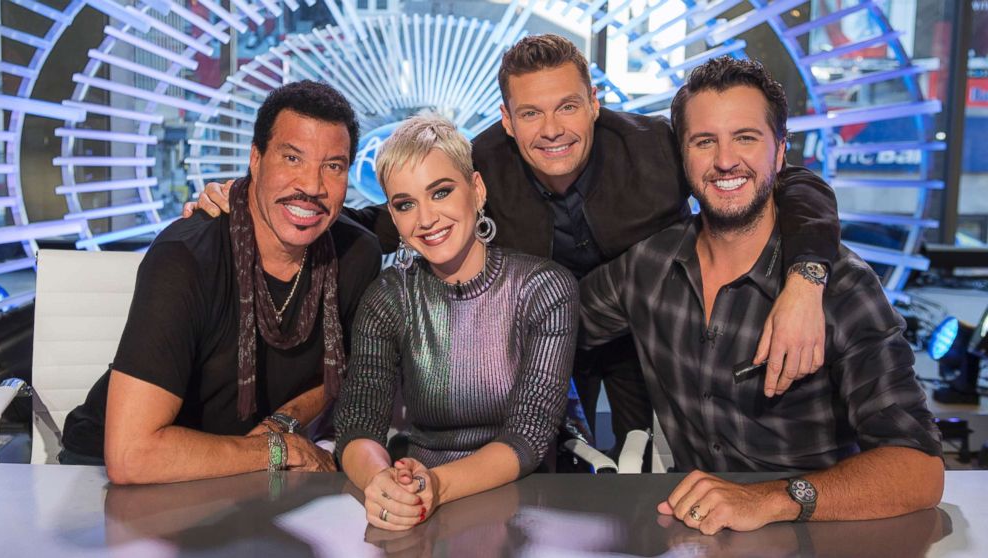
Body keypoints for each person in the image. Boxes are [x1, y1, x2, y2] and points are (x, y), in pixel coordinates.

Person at [186, 34, 841, 448]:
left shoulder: (657, 148)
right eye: (530, 112)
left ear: (594, 102)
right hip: (539, 334)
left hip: (641, 337)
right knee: (547, 464)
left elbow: (794, 180)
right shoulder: (479, 168)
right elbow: (382, 218)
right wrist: (250, 207)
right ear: (506, 118)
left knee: (649, 471)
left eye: (565, 106)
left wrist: (806, 279)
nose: (550, 129)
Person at [579, 56, 944, 534]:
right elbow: (550, 325)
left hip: (819, 538)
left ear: (779, 153)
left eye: (746, 138)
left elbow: (919, 470)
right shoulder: (647, 267)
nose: (725, 160)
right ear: (682, 157)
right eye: (704, 141)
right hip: (695, 536)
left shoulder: (840, 288)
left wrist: (771, 500)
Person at [60, 81, 382, 483]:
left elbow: (340, 370)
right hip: (111, 476)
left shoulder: (355, 254)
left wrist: (283, 423)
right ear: (255, 159)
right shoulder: (186, 258)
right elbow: (132, 455)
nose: (313, 185)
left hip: (247, 468)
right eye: (292, 158)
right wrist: (278, 448)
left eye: (332, 165)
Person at [332, 114, 578, 531]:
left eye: (441, 192)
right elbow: (358, 421)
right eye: (405, 204)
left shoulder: (543, 287)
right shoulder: (388, 296)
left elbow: (530, 433)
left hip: (527, 509)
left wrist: (437, 486)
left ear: (477, 190)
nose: (426, 219)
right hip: (418, 505)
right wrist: (382, 482)